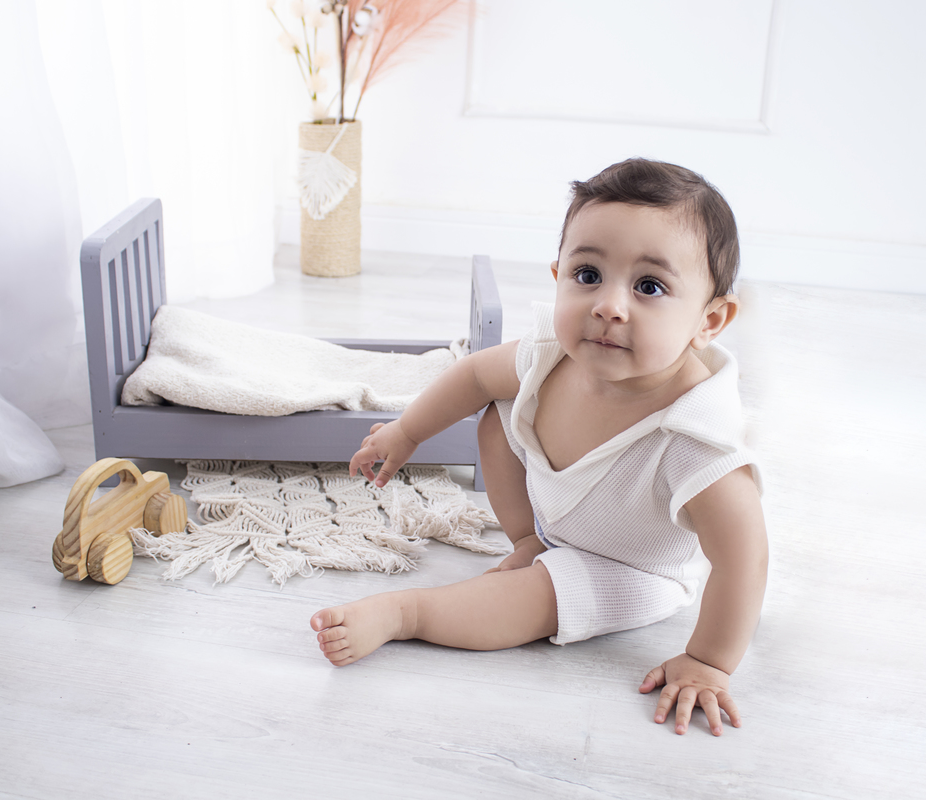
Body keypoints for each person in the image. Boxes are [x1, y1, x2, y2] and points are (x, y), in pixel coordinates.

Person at [310, 158, 767, 737]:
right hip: (553, 520)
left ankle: (408, 613)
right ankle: (529, 539)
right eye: (588, 274)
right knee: (500, 415)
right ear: (557, 275)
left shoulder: (697, 439)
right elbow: (476, 376)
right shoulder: (553, 354)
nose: (609, 305)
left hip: (624, 567)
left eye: (649, 287)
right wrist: (406, 431)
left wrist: (707, 661)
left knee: (535, 597)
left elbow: (743, 560)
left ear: (710, 320)